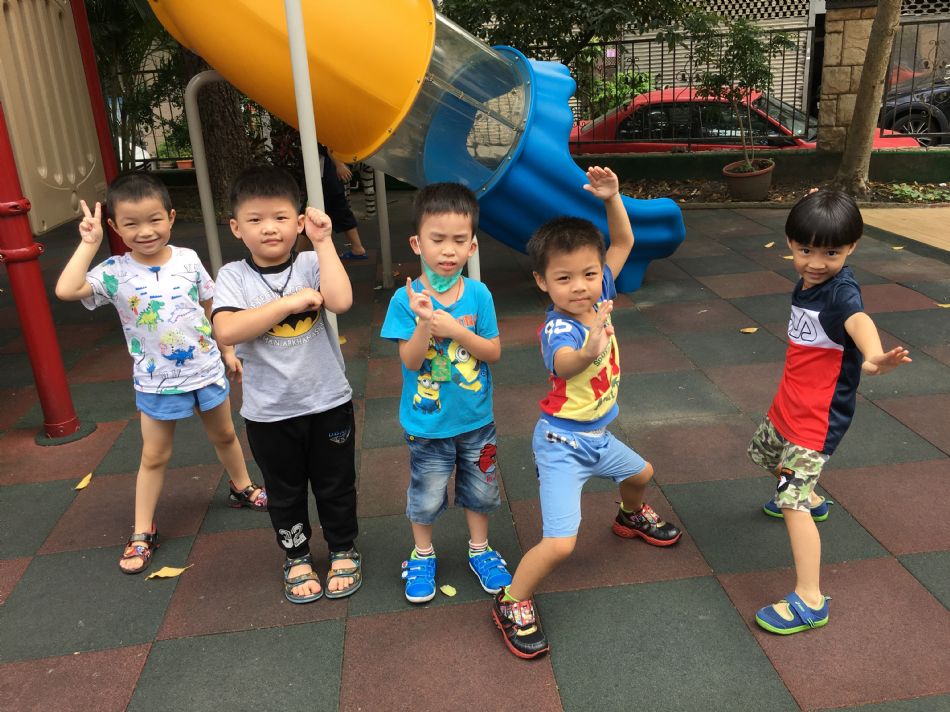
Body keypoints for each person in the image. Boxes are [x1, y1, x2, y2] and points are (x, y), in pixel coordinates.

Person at [491, 166, 683, 659]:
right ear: (542, 282)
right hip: (562, 444)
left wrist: (613, 198)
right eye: (564, 278)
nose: (580, 287)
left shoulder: (603, 294)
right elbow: (564, 364)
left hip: (599, 436)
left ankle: (629, 515)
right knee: (560, 544)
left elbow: (623, 240)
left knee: (642, 474)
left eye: (589, 274)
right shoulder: (560, 329)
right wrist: (590, 347)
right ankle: (512, 600)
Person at [54, 173, 266, 576]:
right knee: (154, 455)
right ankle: (142, 529)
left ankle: (242, 486)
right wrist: (89, 244)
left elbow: (211, 305)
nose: (145, 231)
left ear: (170, 217)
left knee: (225, 434)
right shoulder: (115, 271)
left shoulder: (187, 259)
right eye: (131, 224)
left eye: (154, 220)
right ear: (115, 227)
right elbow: (66, 289)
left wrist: (227, 350)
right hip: (157, 381)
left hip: (205, 369)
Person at [749, 189, 911, 635]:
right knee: (763, 454)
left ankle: (810, 600)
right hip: (790, 401)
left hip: (817, 418)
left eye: (831, 253)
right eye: (806, 250)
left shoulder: (841, 292)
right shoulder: (808, 280)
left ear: (851, 248)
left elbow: (859, 320)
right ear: (790, 242)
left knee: (790, 502)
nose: (816, 263)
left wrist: (873, 357)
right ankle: (813, 497)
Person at [211, 166, 361, 604]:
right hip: (270, 413)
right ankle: (296, 555)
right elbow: (227, 329)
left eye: (279, 217)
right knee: (285, 491)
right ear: (236, 228)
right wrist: (289, 303)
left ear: (297, 222)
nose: (269, 228)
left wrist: (323, 241)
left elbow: (341, 301)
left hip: (327, 402)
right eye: (255, 220)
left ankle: (342, 548)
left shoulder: (313, 263)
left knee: (336, 483)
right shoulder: (234, 277)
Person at [380, 182, 512, 604]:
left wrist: (456, 330)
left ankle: (480, 549)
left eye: (459, 240)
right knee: (426, 493)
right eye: (438, 239)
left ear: (472, 246)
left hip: (476, 420)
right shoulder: (405, 299)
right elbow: (411, 361)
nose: (448, 250)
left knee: (481, 490)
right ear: (417, 243)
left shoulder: (479, 294)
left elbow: (493, 351)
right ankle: (422, 554)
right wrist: (424, 322)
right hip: (428, 423)